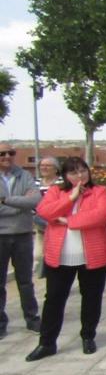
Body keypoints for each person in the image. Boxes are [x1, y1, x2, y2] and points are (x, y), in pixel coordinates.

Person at [26, 158, 106, 360]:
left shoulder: (99, 191)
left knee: (91, 298)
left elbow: (101, 216)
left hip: (92, 254)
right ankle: (47, 342)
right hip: (60, 256)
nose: (80, 176)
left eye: (83, 171)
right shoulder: (56, 192)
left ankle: (88, 336)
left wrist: (68, 220)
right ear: (65, 175)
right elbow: (44, 211)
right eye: (74, 172)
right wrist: (71, 198)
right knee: (54, 300)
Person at [0, 142, 42, 338]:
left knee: (25, 281)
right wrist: (20, 204)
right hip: (1, 235)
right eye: (2, 153)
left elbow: (35, 201)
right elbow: (26, 203)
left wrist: (4, 200)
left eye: (10, 153)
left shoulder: (23, 175)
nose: (7, 156)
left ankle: (32, 318)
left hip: (23, 234)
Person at [33, 156, 61, 277]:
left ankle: (55, 278)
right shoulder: (35, 183)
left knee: (56, 254)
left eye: (48, 165)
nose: (44, 168)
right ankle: (46, 275)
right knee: (39, 254)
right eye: (42, 165)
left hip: (57, 224)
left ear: (56, 169)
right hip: (39, 224)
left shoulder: (62, 183)